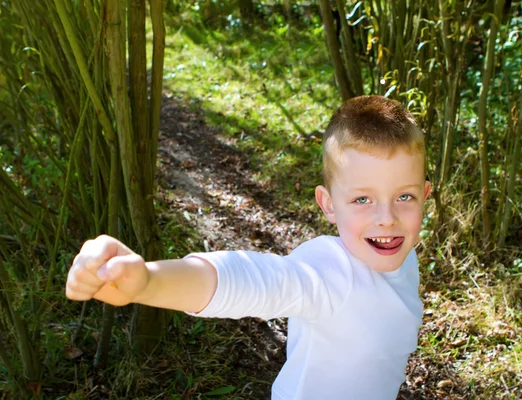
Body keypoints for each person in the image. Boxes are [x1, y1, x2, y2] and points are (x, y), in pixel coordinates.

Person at [66, 95, 432, 400]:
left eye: (404, 196)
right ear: (329, 204)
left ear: (424, 195)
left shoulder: (403, 255)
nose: (387, 218)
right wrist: (149, 281)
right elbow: (254, 280)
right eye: (363, 200)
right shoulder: (329, 272)